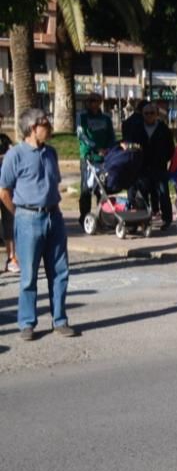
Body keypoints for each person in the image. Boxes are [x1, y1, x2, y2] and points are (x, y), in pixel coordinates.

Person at [0, 109, 78, 341]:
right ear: (32, 128)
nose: (50, 126)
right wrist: (20, 213)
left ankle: (60, 320)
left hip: (54, 217)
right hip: (28, 219)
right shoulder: (15, 155)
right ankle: (27, 323)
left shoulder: (51, 153)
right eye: (45, 123)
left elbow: (54, 183)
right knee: (29, 276)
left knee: (60, 272)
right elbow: (4, 191)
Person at [124, 101, 175, 229]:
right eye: (146, 113)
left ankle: (167, 219)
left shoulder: (163, 129)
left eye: (152, 113)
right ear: (142, 114)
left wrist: (163, 158)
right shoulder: (137, 129)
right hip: (143, 167)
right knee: (142, 194)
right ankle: (144, 219)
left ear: (156, 114)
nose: (149, 116)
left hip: (159, 167)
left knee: (163, 193)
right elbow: (131, 146)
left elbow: (171, 148)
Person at [76, 93, 116, 226]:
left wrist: (109, 149)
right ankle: (84, 216)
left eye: (97, 100)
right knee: (86, 188)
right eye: (91, 101)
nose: (94, 103)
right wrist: (95, 148)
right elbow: (82, 135)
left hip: (104, 157)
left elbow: (111, 136)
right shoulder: (82, 117)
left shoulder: (106, 118)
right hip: (88, 156)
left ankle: (102, 216)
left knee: (103, 187)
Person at [0, 116, 18, 274]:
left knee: (9, 221)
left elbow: (14, 154)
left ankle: (11, 258)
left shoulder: (4, 139)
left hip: (5, 187)